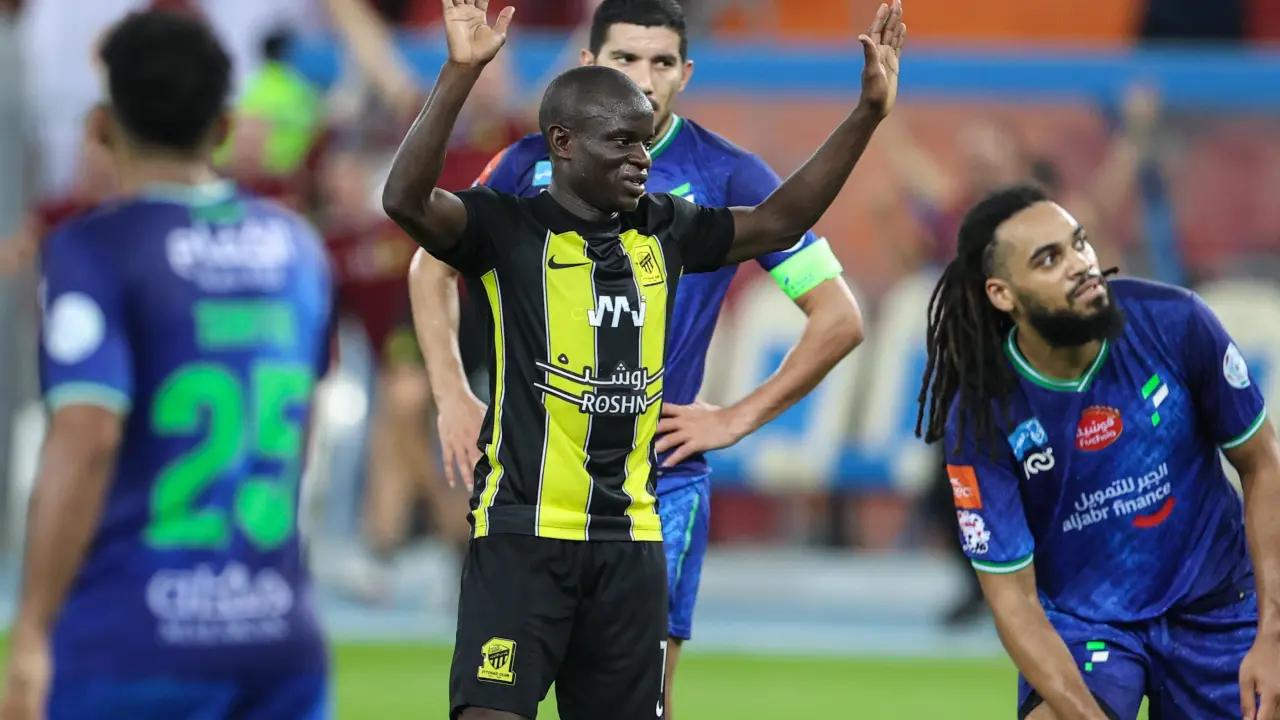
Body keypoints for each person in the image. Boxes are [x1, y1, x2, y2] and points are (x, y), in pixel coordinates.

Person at [381, 1, 904, 717]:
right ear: (565, 140)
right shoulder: (507, 216)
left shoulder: (671, 223)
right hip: (523, 527)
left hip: (638, 523)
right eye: (623, 142)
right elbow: (411, 213)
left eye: (646, 139)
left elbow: (786, 226)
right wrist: (459, 73)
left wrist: (868, 113)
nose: (643, 158)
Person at [0, 10, 334, 720]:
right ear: (223, 126)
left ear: (100, 126)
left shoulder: (94, 249)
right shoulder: (297, 248)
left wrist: (30, 631)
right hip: (276, 626)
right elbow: (304, 426)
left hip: (132, 632)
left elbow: (87, 434)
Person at [914, 184, 1280, 719]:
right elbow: (1013, 599)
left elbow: (1263, 463)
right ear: (1002, 294)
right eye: (1049, 259)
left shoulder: (1175, 322)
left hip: (1219, 606)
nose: (1081, 264)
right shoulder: (982, 416)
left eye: (1079, 243)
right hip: (1088, 626)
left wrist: (1273, 636)